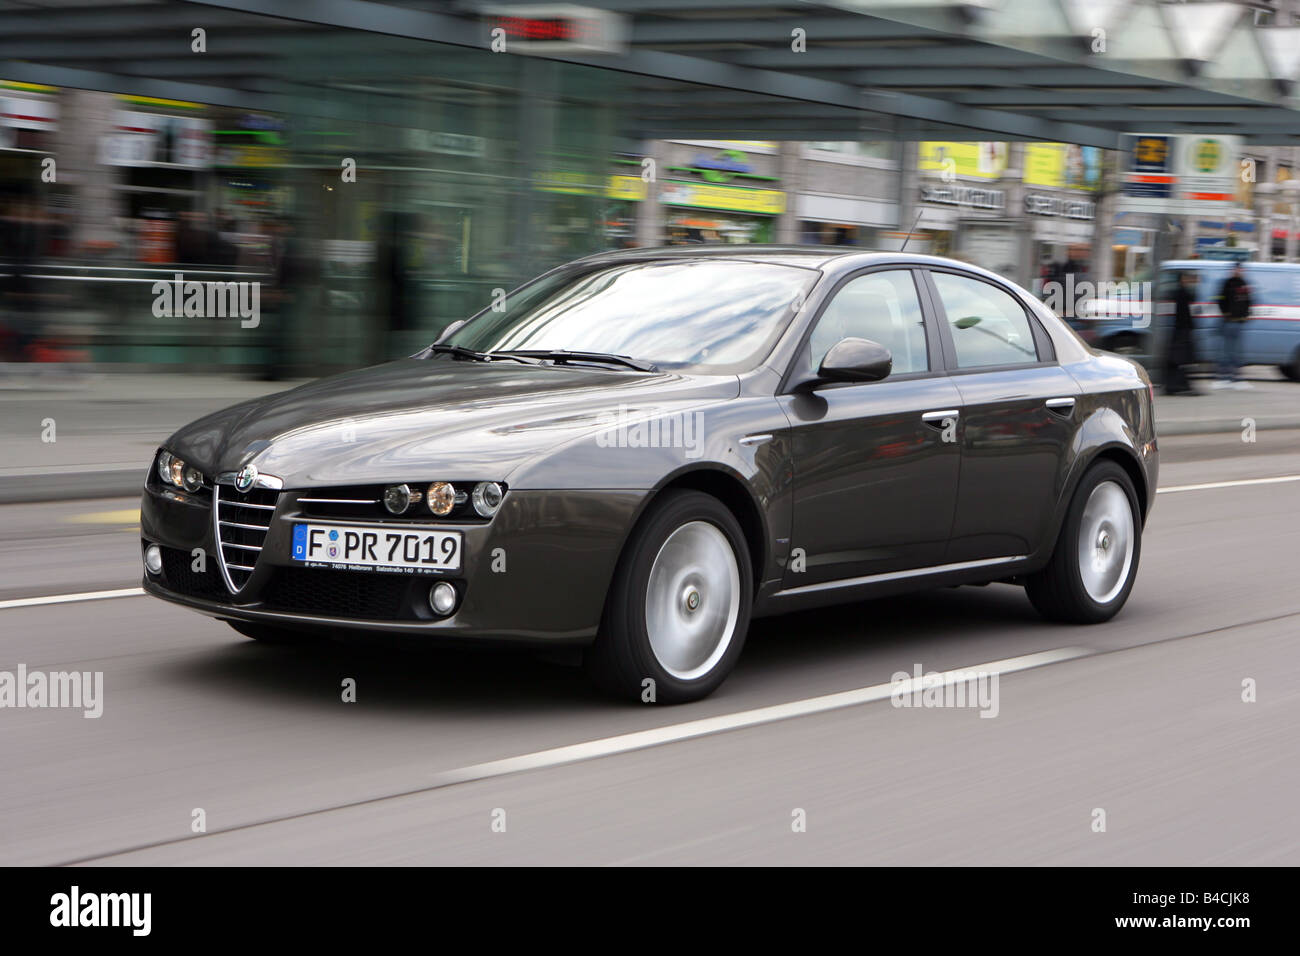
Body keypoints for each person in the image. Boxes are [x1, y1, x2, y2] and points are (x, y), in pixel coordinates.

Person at [1214, 264, 1252, 390]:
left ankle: (1236, 378)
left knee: (1236, 352)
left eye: (1240, 269)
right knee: (1227, 351)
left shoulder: (1244, 284)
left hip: (1239, 323)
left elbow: (1248, 301)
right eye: (1237, 269)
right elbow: (1220, 299)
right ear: (1233, 270)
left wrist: (1247, 314)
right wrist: (1225, 313)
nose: (1239, 271)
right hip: (1229, 322)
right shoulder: (1227, 283)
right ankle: (1224, 377)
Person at [1164, 270, 1198, 396]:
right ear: (1181, 280)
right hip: (1182, 330)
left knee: (1180, 360)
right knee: (1181, 359)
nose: (1188, 281)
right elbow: (1186, 313)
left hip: (1181, 329)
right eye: (1186, 278)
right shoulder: (1181, 293)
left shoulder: (1180, 292)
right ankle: (1179, 385)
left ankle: (1179, 385)